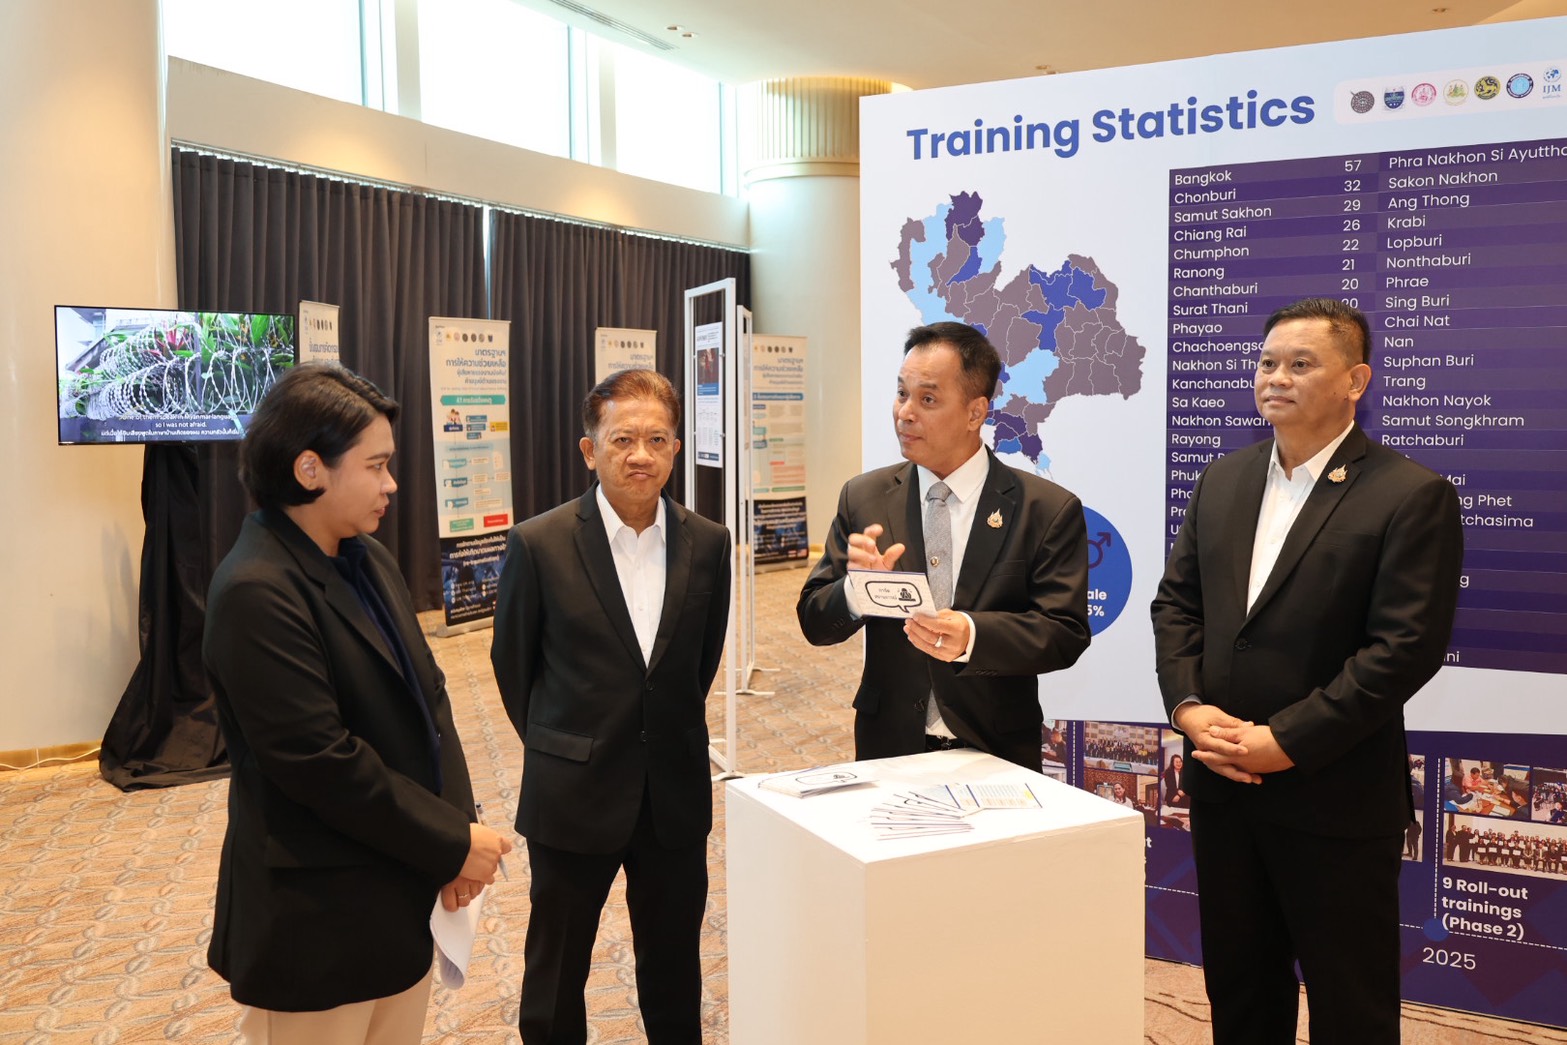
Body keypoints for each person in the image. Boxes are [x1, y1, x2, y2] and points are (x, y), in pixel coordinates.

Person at [1149, 298, 1463, 1044]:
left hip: (1335, 796)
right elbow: (1177, 606)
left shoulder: (1408, 494)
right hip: (1224, 784)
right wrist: (1188, 707)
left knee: (1350, 1003)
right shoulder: (1222, 480)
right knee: (1240, 988)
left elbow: (1403, 649)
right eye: (1266, 363)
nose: (1276, 378)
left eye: (1300, 364)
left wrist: (1286, 739)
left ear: (1355, 380)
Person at [203, 363, 512, 1044]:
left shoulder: (366, 557)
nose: (391, 483)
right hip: (316, 926)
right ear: (310, 469)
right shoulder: (256, 590)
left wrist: (454, 833)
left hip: (396, 895)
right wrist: (450, 842)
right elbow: (322, 762)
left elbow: (430, 699)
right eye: (375, 466)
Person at [490, 369, 732, 1045]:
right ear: (589, 450)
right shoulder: (539, 543)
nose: (640, 455)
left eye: (656, 439)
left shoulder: (709, 543)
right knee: (557, 967)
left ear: (676, 448)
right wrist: (566, 744)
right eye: (622, 439)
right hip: (574, 792)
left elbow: (697, 664)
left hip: (673, 792)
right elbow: (513, 667)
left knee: (674, 964)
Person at [797, 321, 1091, 770]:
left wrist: (973, 635)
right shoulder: (864, 497)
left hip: (996, 749)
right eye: (901, 394)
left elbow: (1064, 633)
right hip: (888, 747)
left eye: (928, 399)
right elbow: (815, 623)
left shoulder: (1045, 509)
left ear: (975, 413)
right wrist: (857, 590)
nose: (905, 413)